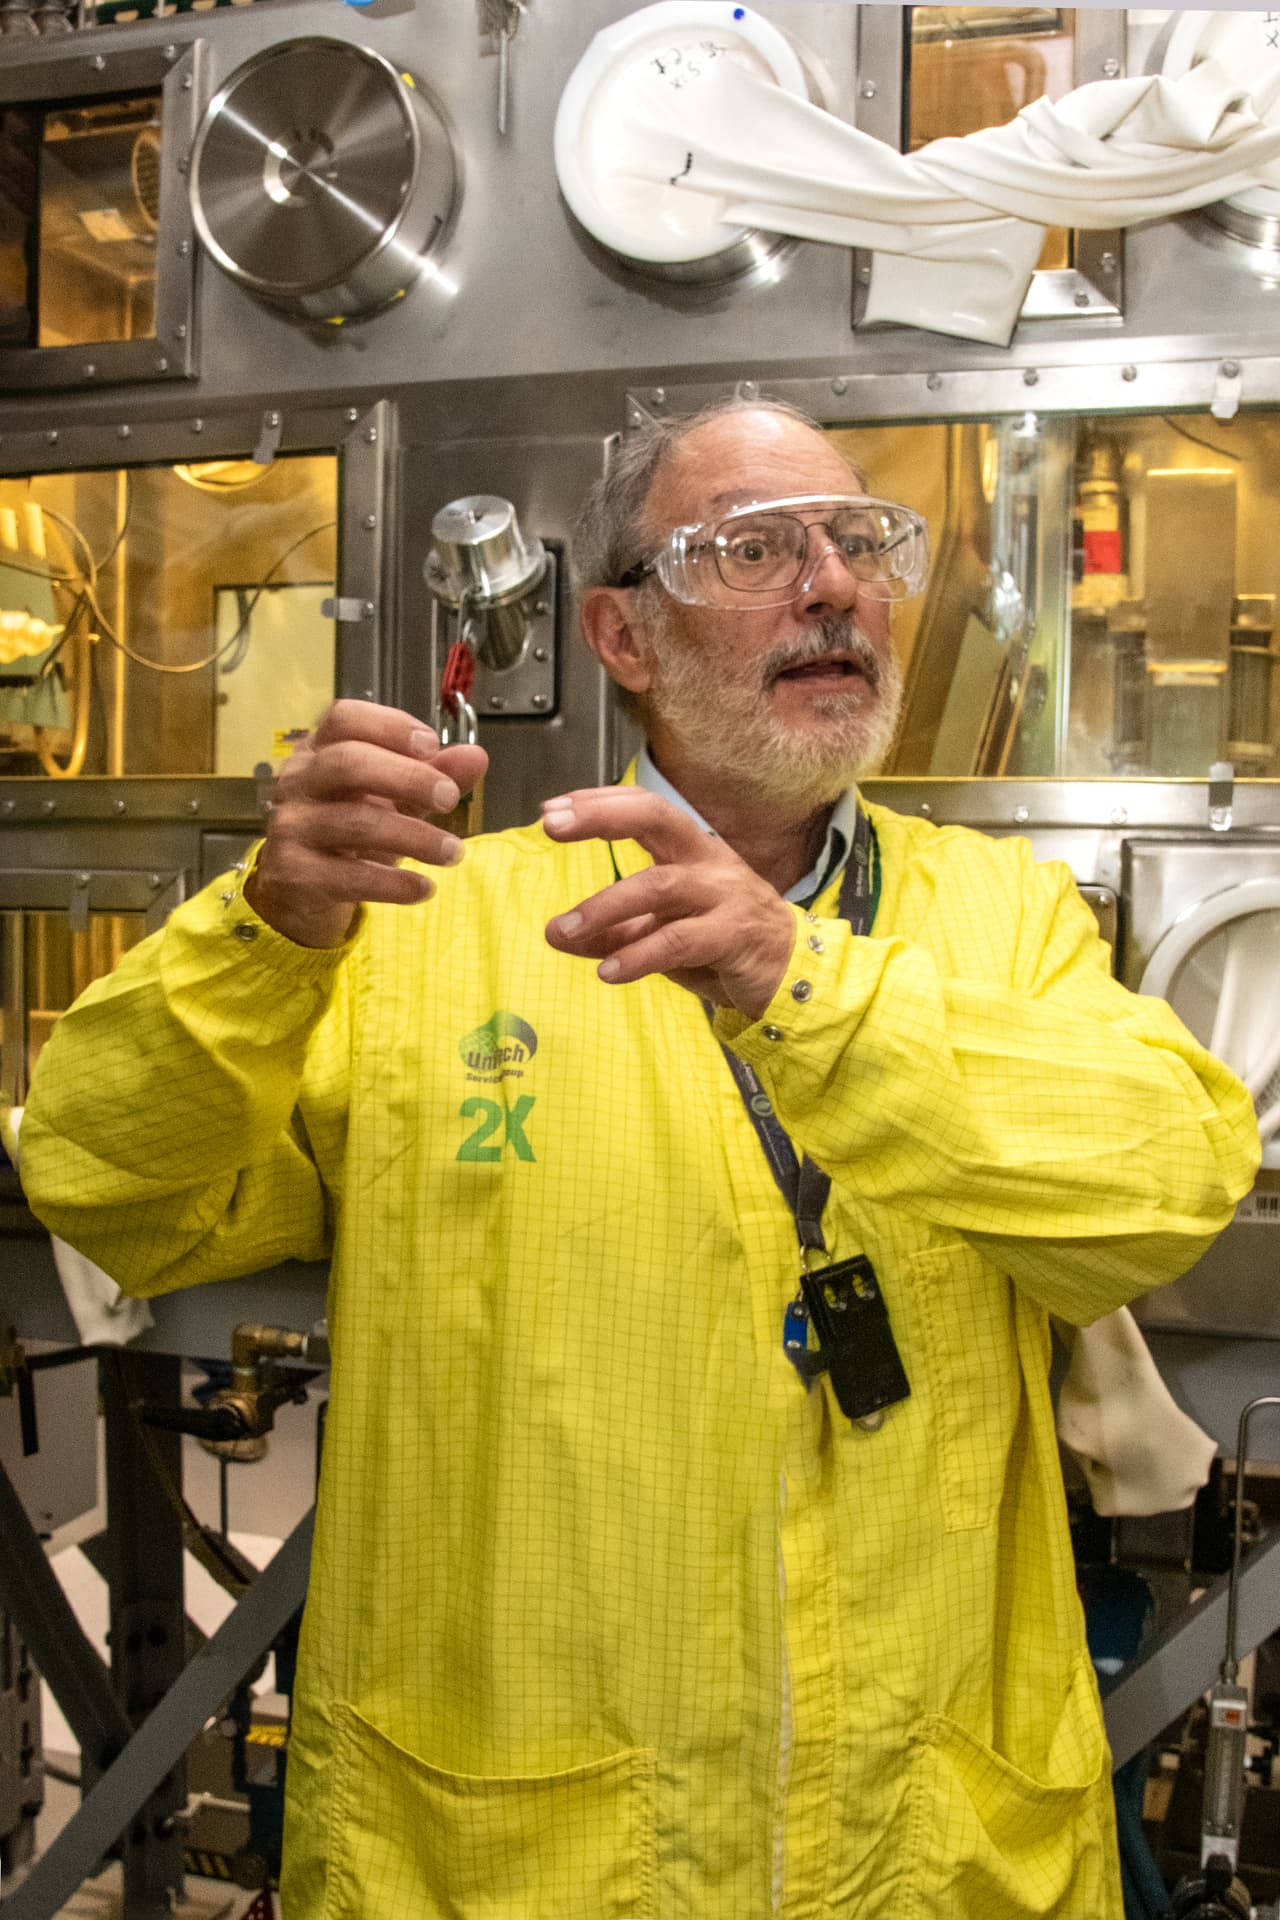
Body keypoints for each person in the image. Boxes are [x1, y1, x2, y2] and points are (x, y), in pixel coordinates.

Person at [21, 400, 1260, 1920]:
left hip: (925, 1849)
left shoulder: (1002, 917)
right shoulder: (433, 919)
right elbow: (112, 1190)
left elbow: (1163, 1192)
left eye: (862, 542)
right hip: (524, 1854)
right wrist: (262, 938)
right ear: (618, 637)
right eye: (755, 546)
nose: (833, 584)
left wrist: (802, 980)